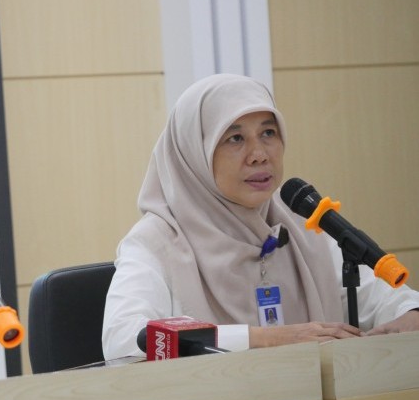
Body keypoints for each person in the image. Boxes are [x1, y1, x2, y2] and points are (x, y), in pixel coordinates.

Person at [102, 73, 419, 359]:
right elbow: (126, 338)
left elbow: (384, 299)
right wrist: (263, 339)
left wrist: (410, 312)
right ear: (194, 154)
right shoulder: (156, 241)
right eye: (235, 138)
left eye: (268, 132)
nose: (259, 155)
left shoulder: (300, 227)